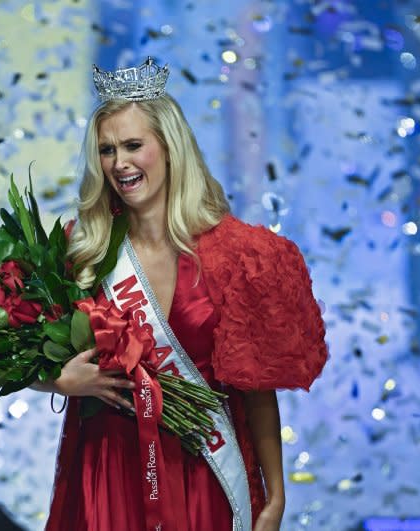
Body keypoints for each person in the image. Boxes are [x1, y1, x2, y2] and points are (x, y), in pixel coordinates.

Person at [33, 57, 328, 531]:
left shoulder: (238, 255)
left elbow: (256, 391)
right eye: (107, 150)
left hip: (205, 468)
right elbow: (23, 357)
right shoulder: (80, 251)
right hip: (108, 469)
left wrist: (274, 497)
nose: (119, 163)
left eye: (133, 145)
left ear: (170, 149)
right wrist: (60, 383)